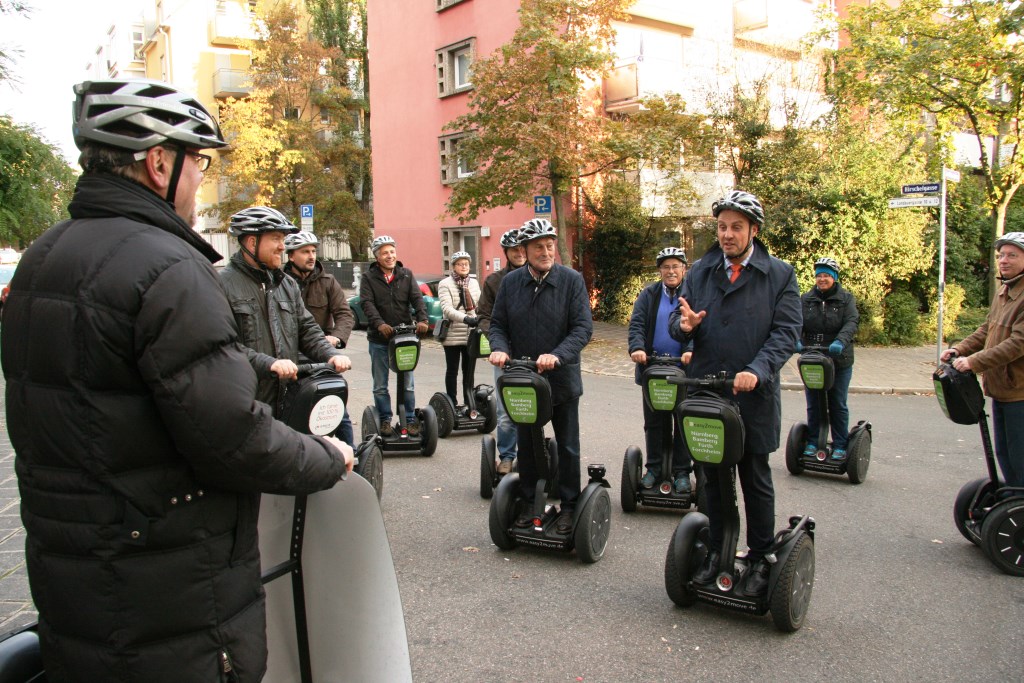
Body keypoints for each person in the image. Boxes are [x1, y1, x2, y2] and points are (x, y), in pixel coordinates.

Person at [0, 79, 352, 682]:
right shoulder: (168, 268)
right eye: (197, 162)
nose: (197, 180)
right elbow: (230, 438)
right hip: (170, 591)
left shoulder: (42, 259)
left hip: (73, 576)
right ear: (159, 161)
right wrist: (325, 455)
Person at [669, 190, 801, 597]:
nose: (727, 234)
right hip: (708, 390)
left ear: (753, 230)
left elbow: (786, 333)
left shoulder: (779, 274)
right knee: (710, 477)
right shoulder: (701, 271)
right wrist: (685, 328)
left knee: (754, 476)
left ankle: (761, 556)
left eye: (736, 227)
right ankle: (715, 551)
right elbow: (680, 323)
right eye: (722, 227)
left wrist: (756, 371)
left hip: (752, 394)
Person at [488, 218, 593, 533]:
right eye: (539, 247)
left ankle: (570, 506)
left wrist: (557, 355)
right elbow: (498, 325)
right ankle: (531, 502)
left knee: (568, 445)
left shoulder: (571, 281)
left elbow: (582, 328)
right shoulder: (511, 283)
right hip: (523, 380)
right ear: (525, 250)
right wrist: (500, 349)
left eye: (550, 246)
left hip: (561, 380)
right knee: (529, 444)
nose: (546, 252)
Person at [220, 207, 352, 417]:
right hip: (246, 405)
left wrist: (331, 354)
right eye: (276, 238)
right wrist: (269, 364)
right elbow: (223, 347)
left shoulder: (285, 284)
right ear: (252, 242)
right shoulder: (222, 285)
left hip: (288, 401)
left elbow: (307, 330)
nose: (282, 246)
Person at [941, 231, 1024, 489]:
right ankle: (1013, 507)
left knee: (1020, 460)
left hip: (1020, 392)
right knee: (1005, 456)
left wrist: (974, 362)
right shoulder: (1004, 292)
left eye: (1012, 255)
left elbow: (1017, 343)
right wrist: (960, 350)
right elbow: (987, 329)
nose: (1004, 260)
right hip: (1001, 389)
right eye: (1001, 255)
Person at [628, 247, 694, 494]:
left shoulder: (692, 293)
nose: (671, 271)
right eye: (666, 267)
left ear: (684, 269)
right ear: (660, 271)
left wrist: (691, 349)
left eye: (675, 266)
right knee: (654, 422)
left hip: (683, 369)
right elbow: (637, 324)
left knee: (682, 421)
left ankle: (681, 472)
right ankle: (654, 468)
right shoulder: (649, 294)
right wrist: (637, 347)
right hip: (653, 369)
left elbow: (699, 328)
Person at [283, 230, 356, 445]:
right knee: (293, 410)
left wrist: (336, 338)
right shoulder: (280, 281)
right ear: (291, 256)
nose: (311, 256)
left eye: (313, 251)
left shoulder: (328, 281)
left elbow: (344, 314)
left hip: (321, 356)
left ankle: (351, 458)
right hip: (291, 359)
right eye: (305, 251)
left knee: (335, 408)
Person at [359, 235, 429, 436]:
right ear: (377, 256)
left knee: (408, 383)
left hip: (405, 337)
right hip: (379, 339)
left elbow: (417, 298)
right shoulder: (368, 278)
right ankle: (385, 420)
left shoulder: (405, 274)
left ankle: (410, 418)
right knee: (380, 384)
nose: (389, 256)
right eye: (384, 253)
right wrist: (380, 324)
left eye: (391, 252)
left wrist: (423, 320)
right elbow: (367, 303)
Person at [798, 257, 860, 460]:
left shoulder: (845, 299)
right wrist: (797, 340)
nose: (822, 279)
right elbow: (796, 322)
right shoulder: (806, 299)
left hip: (839, 359)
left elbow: (851, 321)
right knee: (814, 402)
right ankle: (813, 441)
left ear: (834, 277)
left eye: (826, 275)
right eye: (819, 275)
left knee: (837, 403)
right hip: (813, 359)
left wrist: (840, 341)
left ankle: (840, 444)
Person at [478, 227, 526, 474]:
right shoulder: (495, 281)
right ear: (506, 252)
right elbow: (484, 316)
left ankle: (532, 456)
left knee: (533, 407)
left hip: (535, 355)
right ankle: (507, 457)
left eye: (521, 248)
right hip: (505, 355)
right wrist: (499, 345)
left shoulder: (541, 277)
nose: (519, 253)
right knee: (507, 411)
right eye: (513, 249)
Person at [437, 251, 483, 411]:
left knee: (469, 372)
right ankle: (452, 404)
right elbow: (447, 309)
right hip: (452, 334)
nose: (464, 266)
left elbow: (480, 305)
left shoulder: (474, 283)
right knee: (452, 370)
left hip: (471, 334)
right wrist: (466, 318)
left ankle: (469, 403)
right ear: (453, 266)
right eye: (460, 264)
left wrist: (478, 318)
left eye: (466, 264)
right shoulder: (445, 284)